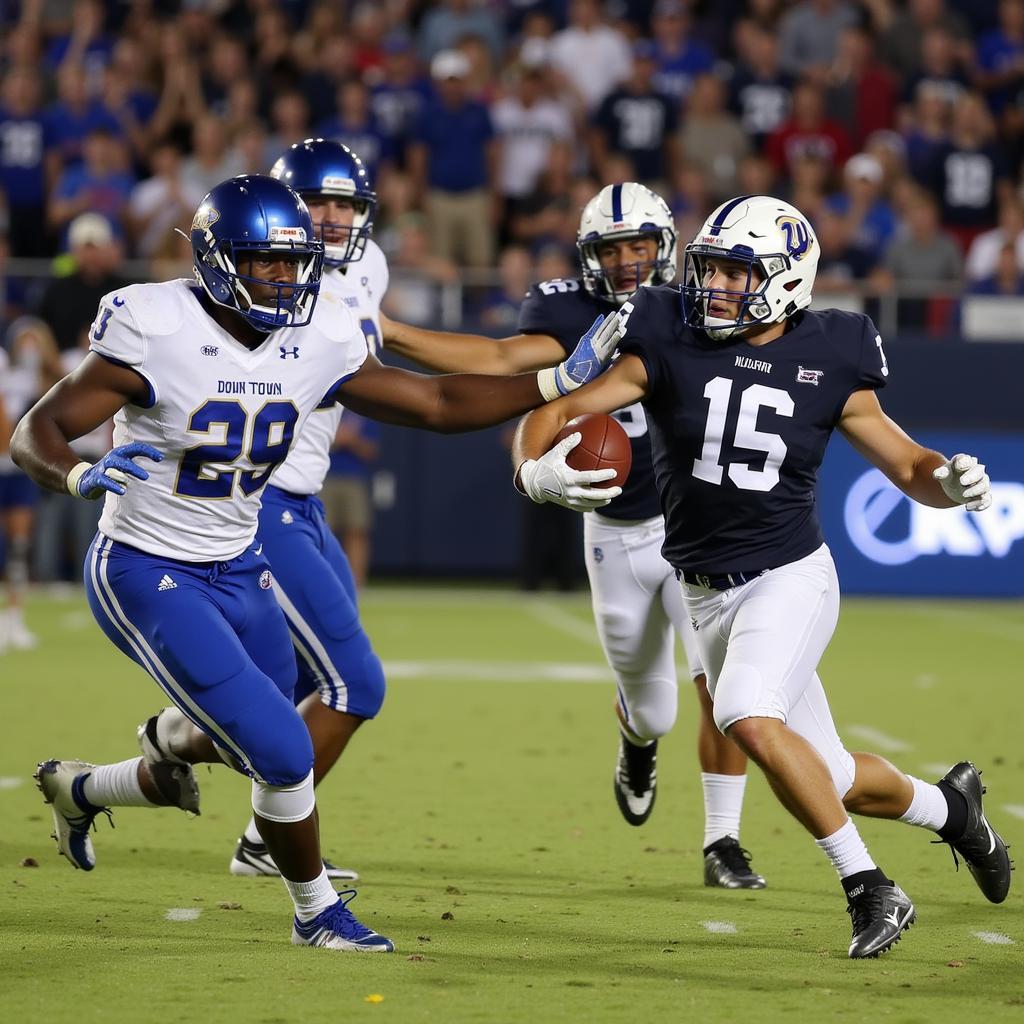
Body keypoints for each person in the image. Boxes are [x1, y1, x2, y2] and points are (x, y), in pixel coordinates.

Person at [12, 174, 622, 954]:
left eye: (294, 262)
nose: (287, 277)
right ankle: (314, 911)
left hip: (238, 563)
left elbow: (432, 405)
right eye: (266, 262)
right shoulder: (155, 326)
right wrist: (74, 474)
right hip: (145, 565)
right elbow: (39, 427)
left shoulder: (317, 336)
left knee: (258, 738)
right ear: (216, 259)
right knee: (286, 749)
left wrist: (556, 383)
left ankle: (87, 785)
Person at [510, 193, 1012, 959]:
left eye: (736, 275)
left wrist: (950, 484)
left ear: (784, 278)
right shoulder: (665, 331)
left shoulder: (836, 346)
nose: (714, 288)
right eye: (709, 270)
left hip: (788, 575)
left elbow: (907, 461)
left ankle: (869, 887)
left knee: (741, 710)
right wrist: (534, 475)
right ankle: (951, 810)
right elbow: (557, 411)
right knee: (831, 776)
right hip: (703, 590)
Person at [381, 182, 765, 889]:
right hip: (613, 535)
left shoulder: (704, 307)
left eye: (639, 246)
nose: (626, 261)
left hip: (695, 529)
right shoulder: (565, 310)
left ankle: (723, 842)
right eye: (612, 248)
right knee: (654, 708)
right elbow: (502, 363)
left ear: (665, 248)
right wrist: (394, 334)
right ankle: (634, 738)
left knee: (721, 687)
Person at [226, 139, 385, 880]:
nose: (329, 217)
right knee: (353, 682)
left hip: (307, 501)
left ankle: (146, 759)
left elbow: (384, 346)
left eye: (342, 204)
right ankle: (266, 841)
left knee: (299, 686)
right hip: (262, 502)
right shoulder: (265, 282)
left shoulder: (366, 270)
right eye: (316, 202)